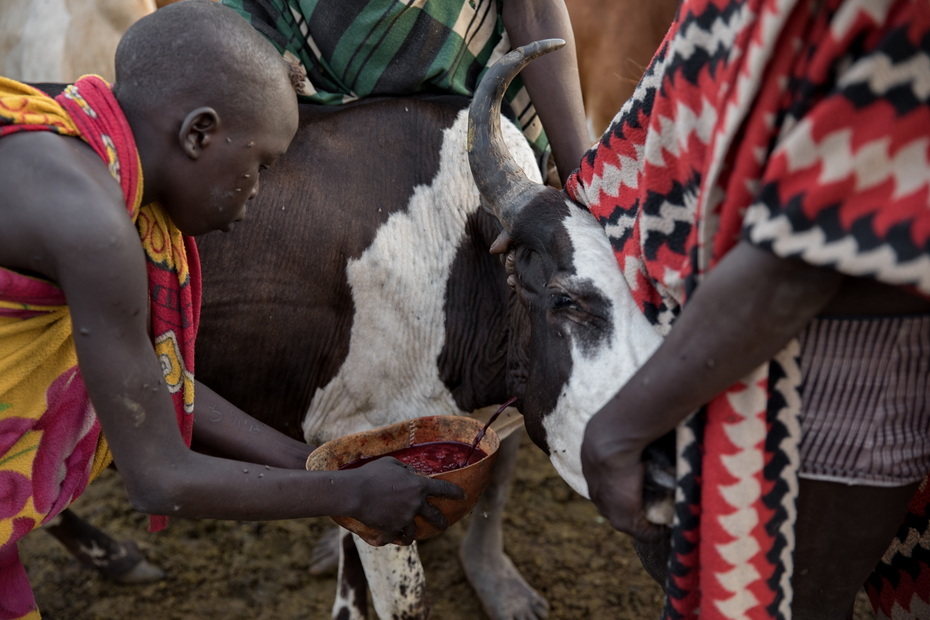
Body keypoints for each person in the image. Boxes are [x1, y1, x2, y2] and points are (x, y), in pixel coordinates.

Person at [0, 2, 462, 617]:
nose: (257, 192)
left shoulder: (66, 130)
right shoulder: (93, 229)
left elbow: (152, 380)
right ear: (198, 134)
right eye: (259, 166)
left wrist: (314, 464)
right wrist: (348, 490)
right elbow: (159, 477)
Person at [561, 0, 930, 618]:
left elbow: (803, 253)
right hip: (727, 330)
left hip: (826, 377)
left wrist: (617, 432)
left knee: (786, 602)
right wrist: (583, 205)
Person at [219, 0, 590, 186]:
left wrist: (584, 183)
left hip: (488, 130)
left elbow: (533, 10)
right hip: (323, 146)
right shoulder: (243, 38)